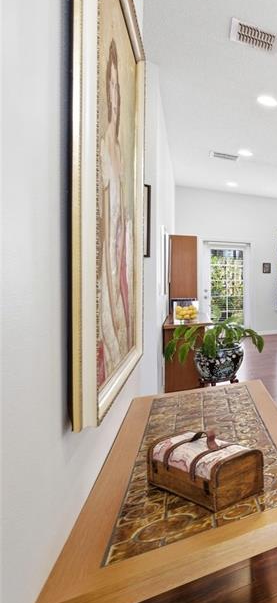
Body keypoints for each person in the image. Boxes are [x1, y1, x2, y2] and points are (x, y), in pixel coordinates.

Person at [97, 38, 133, 384]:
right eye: (109, 86)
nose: (115, 95)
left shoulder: (121, 149)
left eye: (116, 86)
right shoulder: (105, 148)